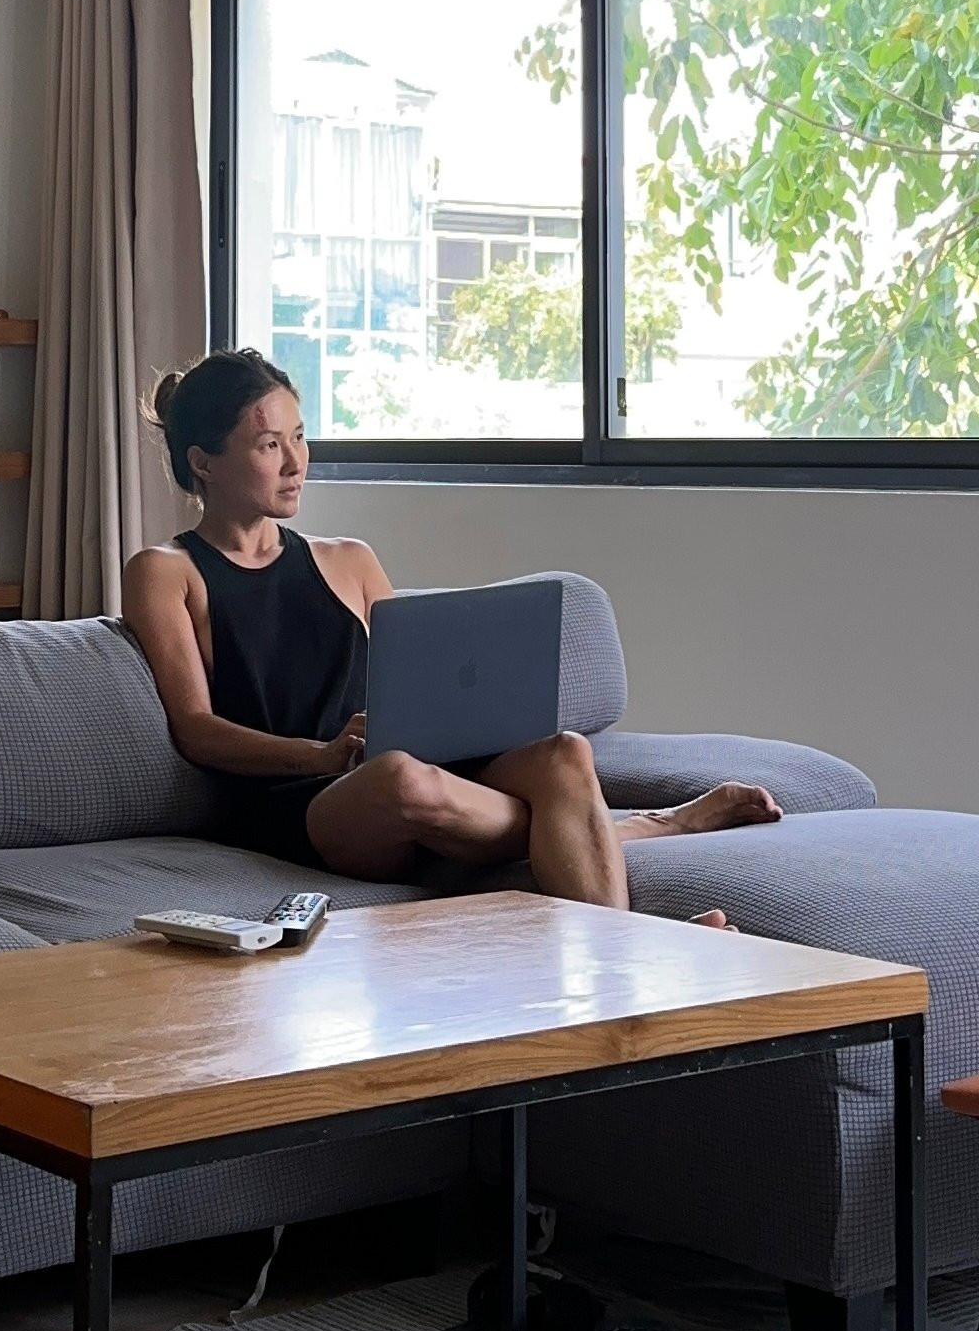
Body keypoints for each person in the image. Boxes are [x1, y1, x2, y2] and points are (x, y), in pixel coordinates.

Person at [121, 349, 782, 922]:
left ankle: (614, 948)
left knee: (564, 753)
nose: (297, 461)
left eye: (300, 436)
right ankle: (647, 828)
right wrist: (319, 755)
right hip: (303, 804)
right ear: (203, 462)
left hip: (413, 769)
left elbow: (421, 680)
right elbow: (196, 728)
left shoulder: (349, 559)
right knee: (404, 778)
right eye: (270, 446)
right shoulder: (166, 571)